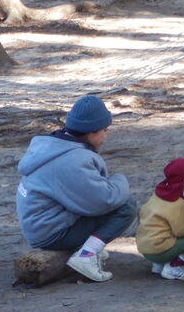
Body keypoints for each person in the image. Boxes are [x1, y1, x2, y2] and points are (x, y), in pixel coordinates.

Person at [15, 94, 135, 283]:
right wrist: (120, 180)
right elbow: (103, 201)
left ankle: (86, 249)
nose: (106, 136)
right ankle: (87, 256)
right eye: (104, 130)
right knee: (127, 206)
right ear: (91, 132)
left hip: (39, 226)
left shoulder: (51, 145)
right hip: (50, 234)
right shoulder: (74, 159)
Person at [136, 158, 184, 280]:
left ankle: (158, 265)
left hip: (146, 249)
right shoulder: (177, 203)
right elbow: (180, 230)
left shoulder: (159, 195)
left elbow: (163, 218)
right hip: (160, 250)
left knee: (165, 232)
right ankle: (174, 267)